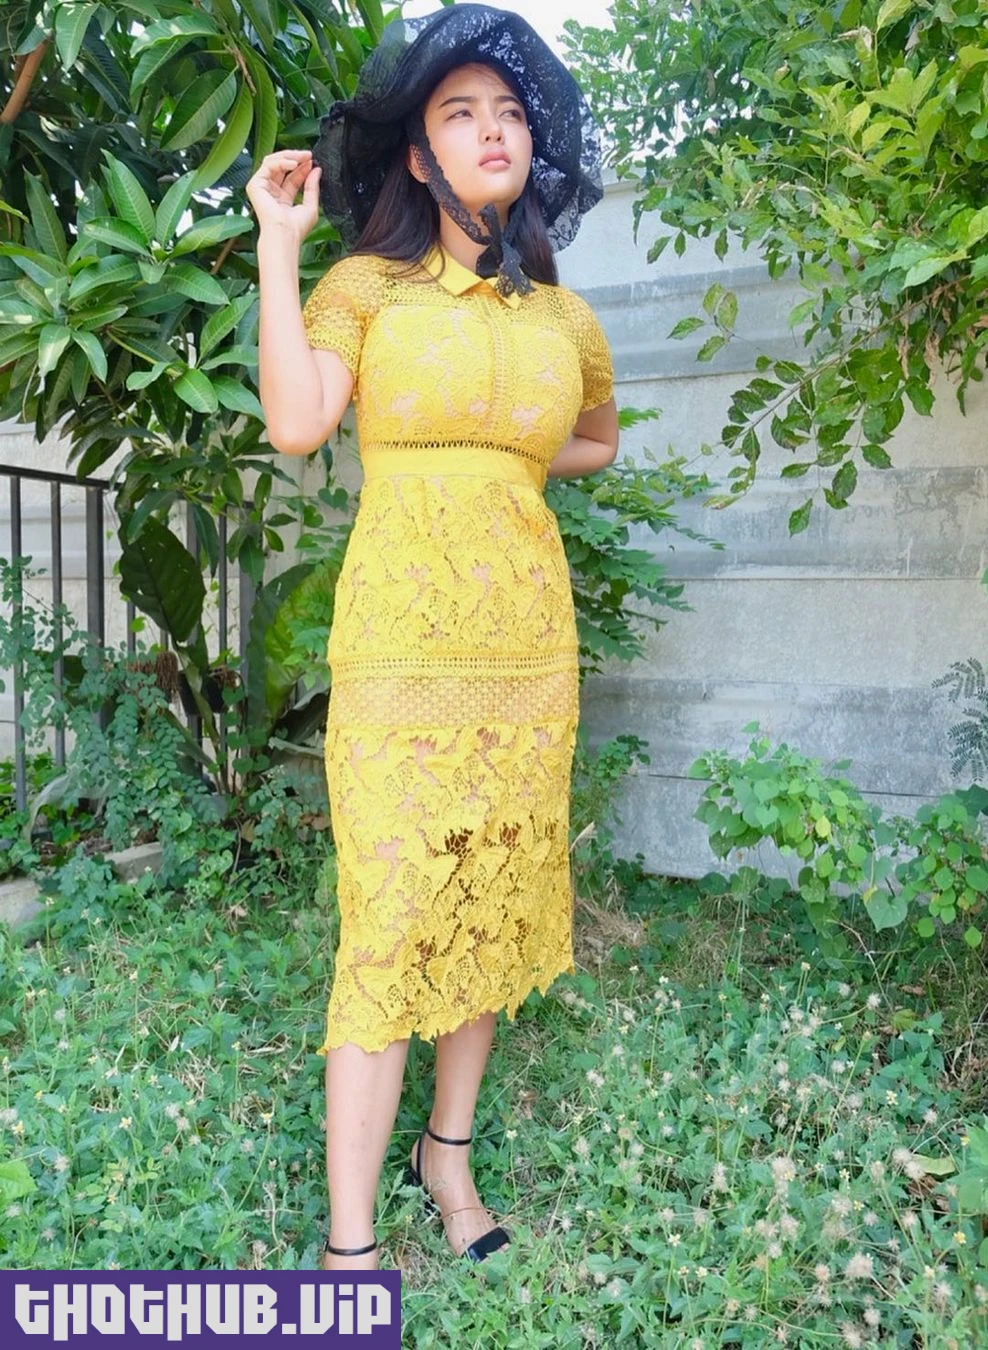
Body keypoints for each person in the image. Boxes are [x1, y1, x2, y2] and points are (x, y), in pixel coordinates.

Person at [245, 4, 617, 1271]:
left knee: (492, 901)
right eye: (461, 113)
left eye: (509, 113)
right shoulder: (369, 289)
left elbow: (596, 439)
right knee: (394, 914)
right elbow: (298, 421)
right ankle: (350, 1248)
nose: (492, 130)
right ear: (419, 153)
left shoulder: (564, 320)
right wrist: (279, 247)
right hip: (401, 651)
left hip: (528, 655)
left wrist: (505, 460)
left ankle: (445, 1160)